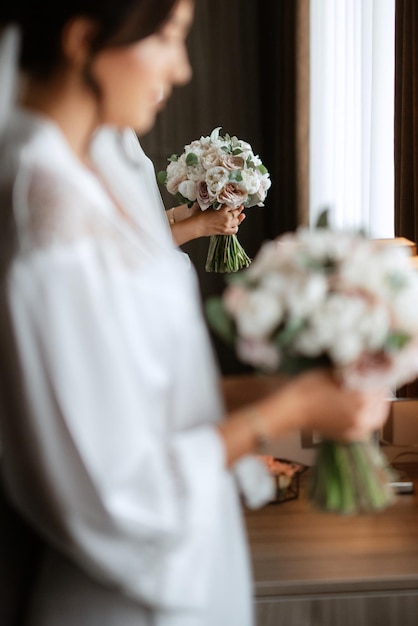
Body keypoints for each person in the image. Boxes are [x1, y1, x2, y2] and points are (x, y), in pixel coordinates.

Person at [0, 1, 389, 625]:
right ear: (81, 39)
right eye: (168, 39)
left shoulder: (90, 176)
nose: (181, 69)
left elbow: (140, 396)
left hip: (188, 574)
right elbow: (116, 493)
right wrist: (284, 412)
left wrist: (286, 388)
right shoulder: (47, 224)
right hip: (128, 599)